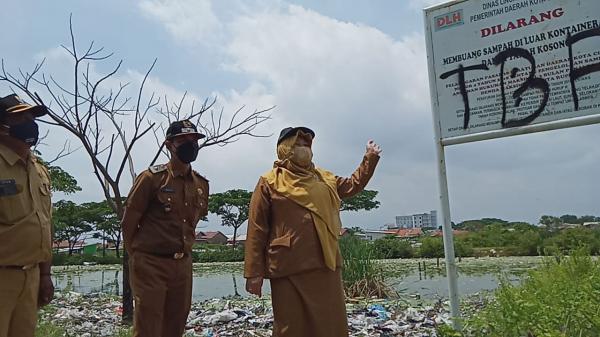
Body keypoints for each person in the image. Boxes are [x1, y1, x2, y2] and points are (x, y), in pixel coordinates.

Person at [244, 126, 381, 337]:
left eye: (306, 145)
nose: (303, 149)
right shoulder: (269, 181)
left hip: (326, 263)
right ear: (284, 149)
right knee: (291, 326)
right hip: (288, 266)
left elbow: (353, 185)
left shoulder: (325, 178)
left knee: (331, 324)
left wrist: (369, 159)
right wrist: (254, 274)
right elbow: (257, 229)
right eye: (297, 144)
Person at [121, 120, 209, 337]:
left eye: (194, 140)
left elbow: (192, 223)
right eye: (183, 140)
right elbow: (129, 222)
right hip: (151, 262)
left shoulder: (201, 184)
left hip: (182, 264)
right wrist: (137, 255)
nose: (190, 144)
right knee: (149, 326)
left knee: (176, 324)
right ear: (169, 145)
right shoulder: (152, 178)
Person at [0, 94, 54, 337]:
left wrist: (45, 274)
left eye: (31, 116)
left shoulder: (39, 170)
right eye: (20, 116)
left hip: (30, 276)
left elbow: (44, 224)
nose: (29, 122)